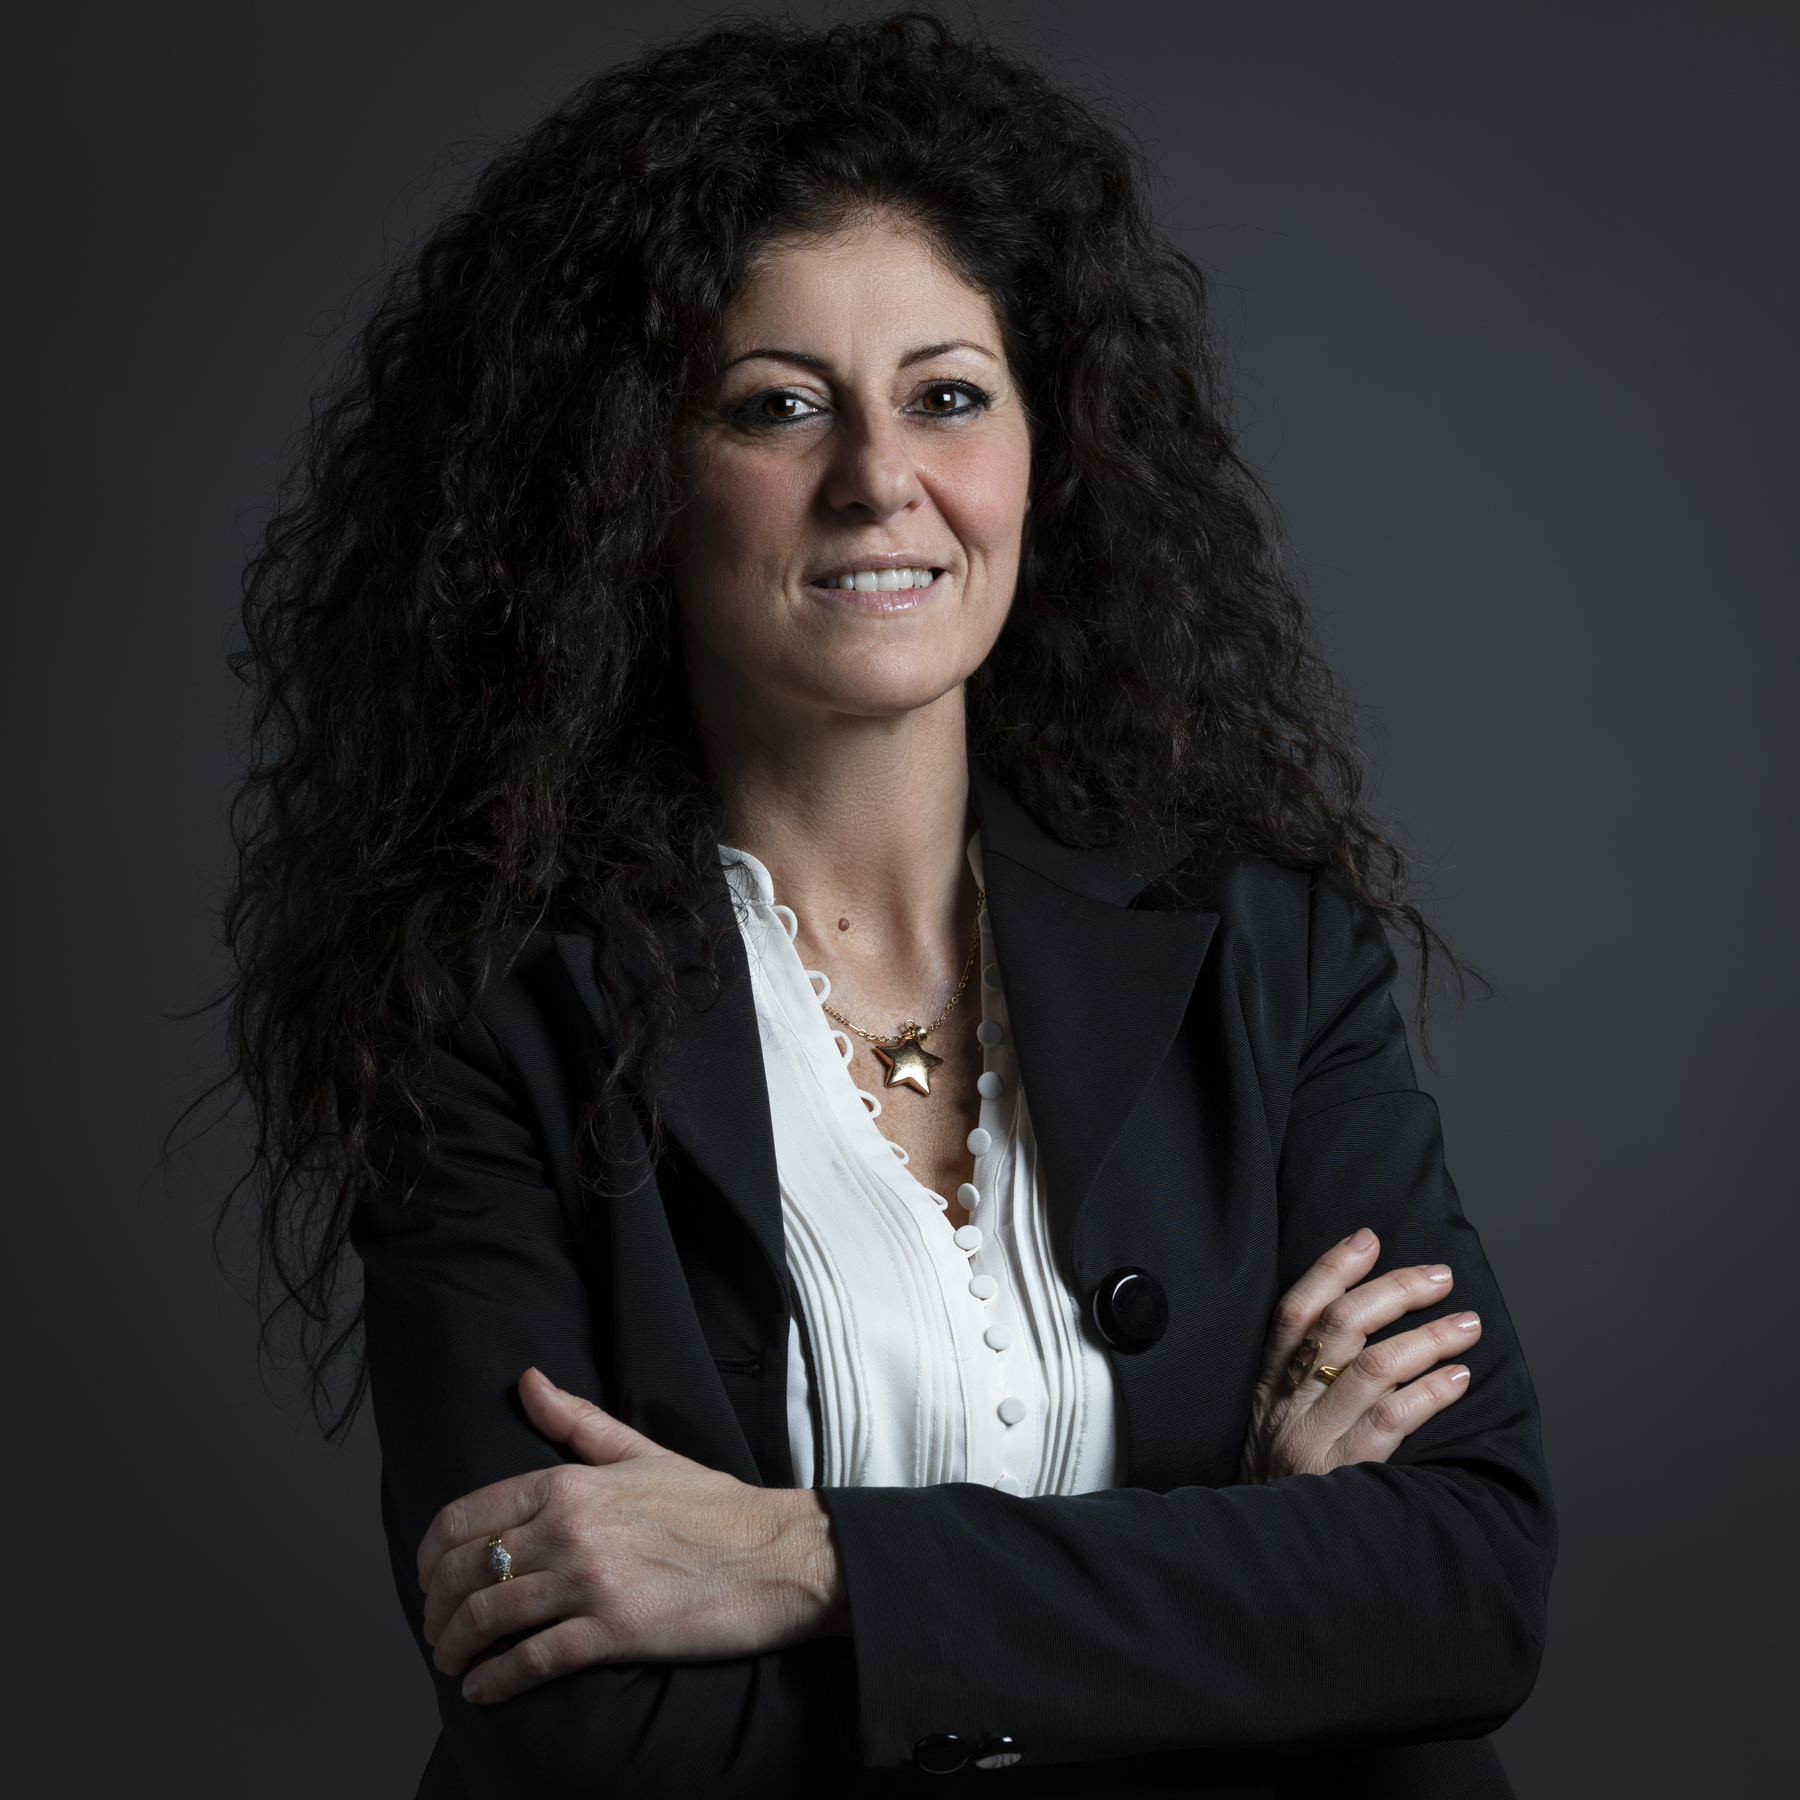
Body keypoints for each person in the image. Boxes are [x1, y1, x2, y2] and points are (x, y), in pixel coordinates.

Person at [224, 13, 1553, 1797]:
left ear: (1044, 451)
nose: (877, 478)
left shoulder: (1264, 944)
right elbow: (586, 1719)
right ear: (623, 479)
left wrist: (800, 1559)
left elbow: (1463, 1588)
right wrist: (1236, 1577)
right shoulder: (482, 1008)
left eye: (948, 395)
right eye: (776, 405)